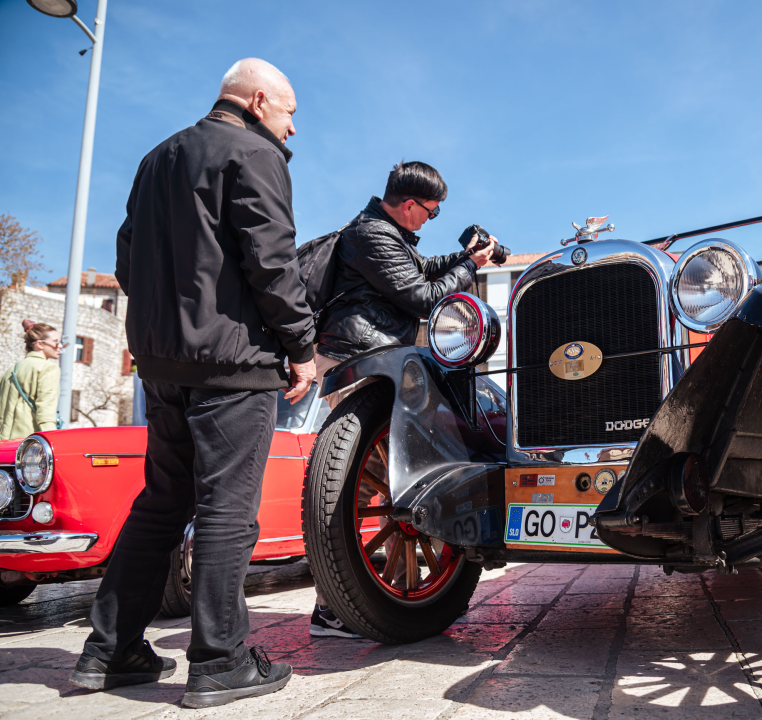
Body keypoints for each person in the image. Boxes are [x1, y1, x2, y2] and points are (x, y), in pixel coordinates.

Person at [71, 58, 316, 709]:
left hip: (164, 366)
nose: (293, 131)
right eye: (290, 114)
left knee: (161, 504)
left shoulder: (159, 158)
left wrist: (172, 327)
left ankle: (110, 650)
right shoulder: (255, 153)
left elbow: (128, 258)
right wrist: (303, 348)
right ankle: (219, 660)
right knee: (227, 510)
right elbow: (272, 263)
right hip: (234, 367)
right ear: (261, 100)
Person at [308, 161, 496, 637]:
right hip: (359, 358)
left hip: (371, 357)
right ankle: (335, 607)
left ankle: (359, 600)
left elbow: (422, 269)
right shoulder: (371, 235)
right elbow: (420, 297)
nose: (429, 222)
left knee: (375, 484)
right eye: (430, 214)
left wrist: (464, 257)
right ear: (409, 205)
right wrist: (470, 268)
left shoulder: (385, 235)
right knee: (360, 484)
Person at [0, 322, 62, 441]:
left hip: (3, 442)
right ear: (40, 344)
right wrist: (53, 441)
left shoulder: (9, 371)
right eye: (55, 342)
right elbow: (46, 412)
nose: (60, 346)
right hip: (29, 446)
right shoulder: (48, 368)